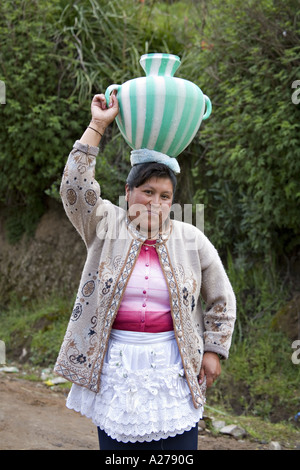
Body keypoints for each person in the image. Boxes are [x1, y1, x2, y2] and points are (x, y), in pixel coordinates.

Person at [54, 93, 236, 450]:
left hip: (172, 368)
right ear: (127, 191)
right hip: (116, 366)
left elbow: (221, 298)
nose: (155, 203)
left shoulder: (191, 239)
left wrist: (214, 351)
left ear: (173, 200)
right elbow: (75, 189)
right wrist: (99, 125)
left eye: (165, 196)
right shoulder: (105, 225)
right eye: (147, 191)